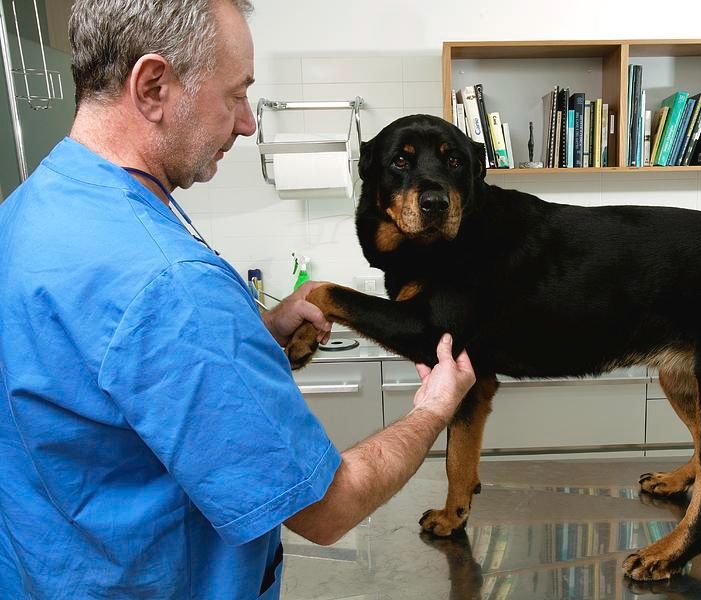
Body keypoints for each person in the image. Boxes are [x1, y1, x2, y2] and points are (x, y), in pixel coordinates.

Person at [0, 1, 475, 598]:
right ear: (152, 86)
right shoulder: (173, 284)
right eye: (235, 94)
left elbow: (100, 378)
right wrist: (432, 408)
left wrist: (255, 331)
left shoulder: (25, 211)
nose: (248, 123)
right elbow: (329, 508)